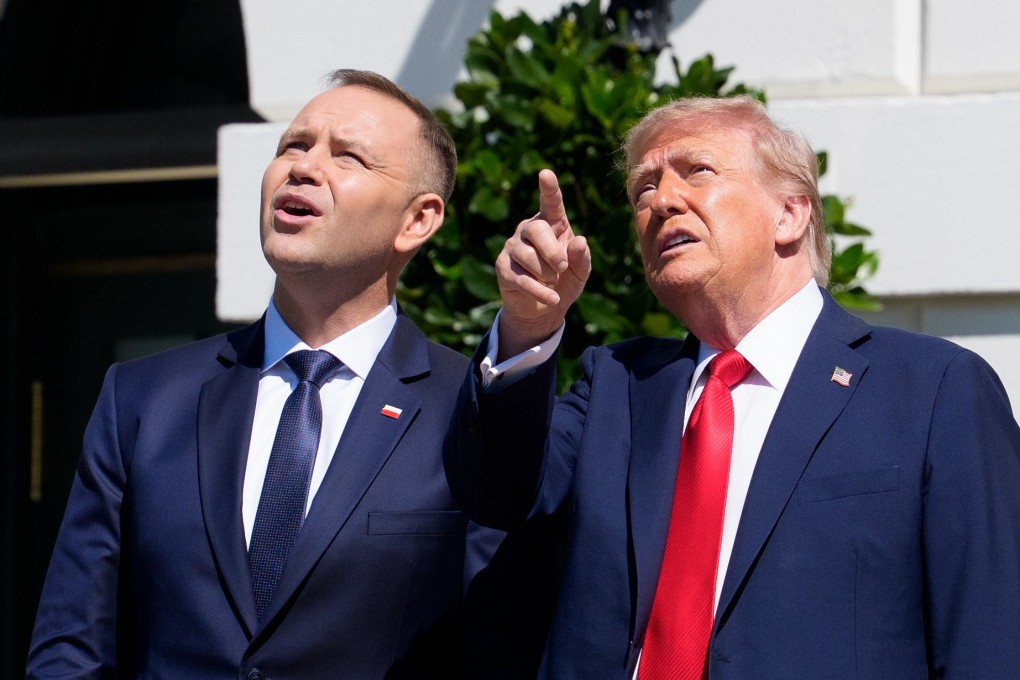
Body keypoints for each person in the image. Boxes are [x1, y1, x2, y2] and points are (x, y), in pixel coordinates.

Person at [446, 95, 1020, 679]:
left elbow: (990, 639)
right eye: (644, 190)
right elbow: (495, 498)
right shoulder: (616, 386)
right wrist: (528, 325)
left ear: (789, 214)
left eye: (697, 170)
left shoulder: (932, 391)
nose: (662, 201)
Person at [28, 69, 485, 680]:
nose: (304, 167)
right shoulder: (144, 399)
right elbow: (71, 647)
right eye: (293, 145)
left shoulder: (469, 410)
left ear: (418, 220)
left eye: (347, 156)